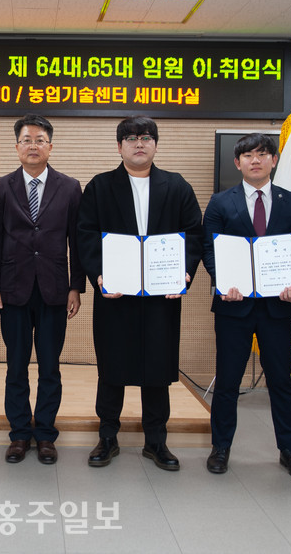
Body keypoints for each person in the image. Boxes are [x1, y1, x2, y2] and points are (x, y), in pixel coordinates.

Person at [76, 116, 203, 470]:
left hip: (161, 297)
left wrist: (184, 273)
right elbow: (85, 234)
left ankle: (156, 441)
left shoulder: (177, 186)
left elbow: (194, 233)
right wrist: (99, 276)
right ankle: (107, 436)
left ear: (156, 145)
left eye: (146, 137)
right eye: (131, 138)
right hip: (116, 295)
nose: (139, 143)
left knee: (157, 367)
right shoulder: (100, 186)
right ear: (119, 147)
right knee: (112, 367)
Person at [201, 132, 291, 480]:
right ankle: (221, 448)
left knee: (280, 381)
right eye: (248, 155)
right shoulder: (220, 202)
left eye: (263, 154)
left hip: (278, 307)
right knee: (228, 381)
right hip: (233, 307)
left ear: (274, 160)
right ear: (238, 163)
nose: (256, 160)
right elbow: (209, 250)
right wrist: (222, 282)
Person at [0, 114, 85, 465]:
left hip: (54, 289)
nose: (33, 145)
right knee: (16, 365)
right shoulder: (1, 187)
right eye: (26, 140)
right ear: (17, 147)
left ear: (50, 147)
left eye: (39, 140)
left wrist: (76, 287)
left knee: (50, 367)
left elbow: (77, 241)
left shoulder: (70, 187)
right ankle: (18, 434)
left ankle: (44, 434)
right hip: (12, 289)